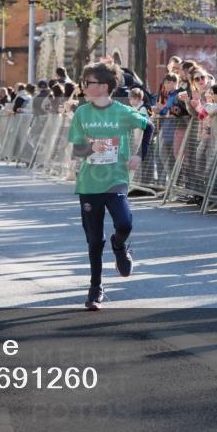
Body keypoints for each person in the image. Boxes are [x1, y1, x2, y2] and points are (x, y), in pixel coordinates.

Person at [68, 60, 153, 310]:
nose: (84, 87)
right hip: (89, 184)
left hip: (116, 180)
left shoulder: (122, 112)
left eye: (89, 83)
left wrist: (139, 155)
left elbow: (149, 126)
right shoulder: (82, 113)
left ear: (104, 87)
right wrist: (91, 147)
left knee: (125, 223)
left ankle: (119, 246)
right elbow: (76, 150)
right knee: (94, 240)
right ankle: (95, 288)